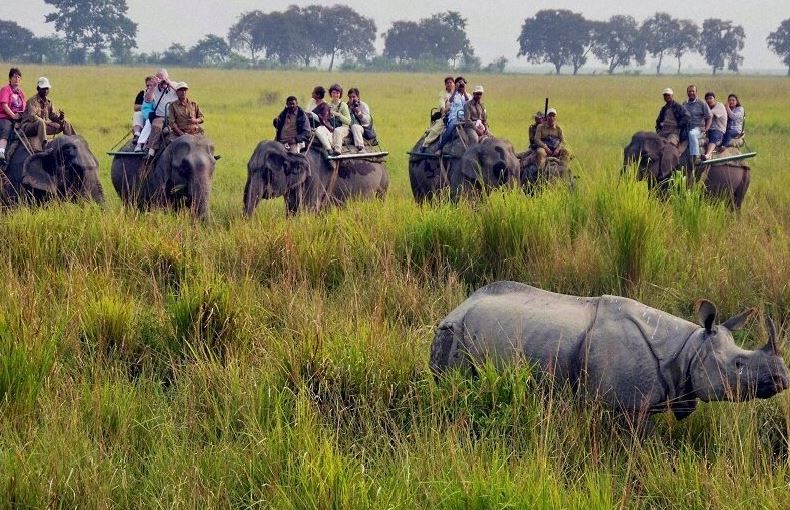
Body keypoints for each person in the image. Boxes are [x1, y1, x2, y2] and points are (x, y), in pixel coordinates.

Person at [19, 77, 75, 153]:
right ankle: (44, 145)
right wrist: (49, 123)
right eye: (43, 88)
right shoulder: (32, 101)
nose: (45, 91)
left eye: (47, 88)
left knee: (64, 122)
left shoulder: (49, 102)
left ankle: (73, 141)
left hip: (42, 128)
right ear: (38, 88)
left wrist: (60, 118)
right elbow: (33, 117)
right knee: (40, 122)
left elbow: (52, 115)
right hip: (29, 127)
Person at [144, 68, 178, 158]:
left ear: (168, 77)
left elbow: (182, 94)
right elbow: (147, 100)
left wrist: (169, 83)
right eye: (160, 79)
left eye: (164, 79)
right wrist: (153, 87)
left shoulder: (175, 85)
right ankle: (151, 150)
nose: (162, 82)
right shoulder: (153, 88)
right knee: (156, 126)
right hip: (161, 116)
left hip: (176, 117)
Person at [437, 76, 471, 153]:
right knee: (450, 128)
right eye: (458, 83)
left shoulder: (468, 95)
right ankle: (440, 147)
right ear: (455, 85)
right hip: (455, 117)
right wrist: (456, 90)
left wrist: (464, 91)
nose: (460, 85)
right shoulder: (453, 95)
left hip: (466, 117)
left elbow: (468, 102)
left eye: (462, 83)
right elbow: (450, 101)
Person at [421, 76, 455, 150]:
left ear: (454, 84)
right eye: (447, 83)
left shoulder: (458, 93)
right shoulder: (442, 94)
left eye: (451, 82)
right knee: (435, 130)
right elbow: (442, 105)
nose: (449, 84)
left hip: (458, 116)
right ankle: (425, 144)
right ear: (445, 85)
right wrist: (444, 111)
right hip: (447, 115)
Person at [0, 68, 25, 163]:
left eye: (19, 77)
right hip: (5, 117)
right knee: (6, 128)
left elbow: (24, 106)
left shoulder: (21, 92)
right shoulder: (5, 89)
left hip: (18, 117)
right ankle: (1, 152)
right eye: (15, 76)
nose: (17, 79)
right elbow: (4, 105)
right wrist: (13, 116)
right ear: (10, 78)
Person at [683, 85, 711, 162]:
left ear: (696, 92)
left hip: (698, 129)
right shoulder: (684, 104)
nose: (691, 93)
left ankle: (696, 156)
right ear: (687, 93)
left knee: (692, 134)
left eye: (693, 91)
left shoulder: (702, 103)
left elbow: (709, 117)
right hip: (686, 128)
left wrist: (706, 129)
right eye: (689, 91)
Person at [308, 86, 336, 154]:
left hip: (323, 127)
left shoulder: (324, 106)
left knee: (318, 130)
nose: (312, 93)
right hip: (310, 126)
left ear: (318, 95)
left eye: (313, 92)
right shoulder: (312, 102)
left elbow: (324, 120)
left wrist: (312, 115)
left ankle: (329, 149)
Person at [325, 83, 351, 155]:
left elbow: (348, 121)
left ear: (340, 94)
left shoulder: (343, 105)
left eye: (337, 93)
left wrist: (338, 115)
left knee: (337, 131)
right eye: (333, 92)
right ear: (330, 93)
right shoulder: (328, 105)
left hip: (343, 127)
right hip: (331, 127)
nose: (335, 95)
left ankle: (337, 150)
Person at [702, 91, 726, 160]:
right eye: (707, 99)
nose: (709, 100)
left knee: (714, 137)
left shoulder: (719, 106)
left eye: (710, 98)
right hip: (708, 130)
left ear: (714, 99)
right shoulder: (708, 108)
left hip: (718, 130)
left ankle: (708, 155)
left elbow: (709, 115)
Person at [132, 75, 155, 142]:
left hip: (155, 116)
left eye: (151, 85)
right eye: (147, 85)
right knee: (137, 114)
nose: (149, 87)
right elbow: (136, 107)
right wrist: (145, 107)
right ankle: (137, 134)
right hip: (145, 114)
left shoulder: (158, 93)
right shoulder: (142, 93)